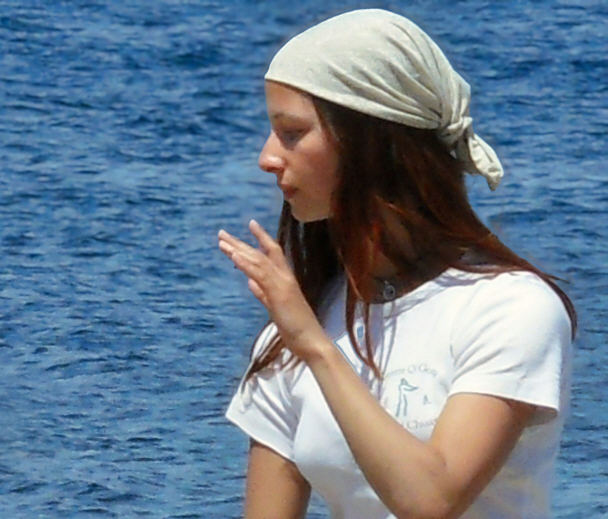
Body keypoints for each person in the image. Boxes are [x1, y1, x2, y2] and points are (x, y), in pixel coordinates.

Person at [217, 8, 576, 519]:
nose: (267, 157)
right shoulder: (296, 331)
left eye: (292, 132)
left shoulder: (512, 309)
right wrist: (302, 337)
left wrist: (316, 348)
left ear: (369, 142)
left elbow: (432, 499)